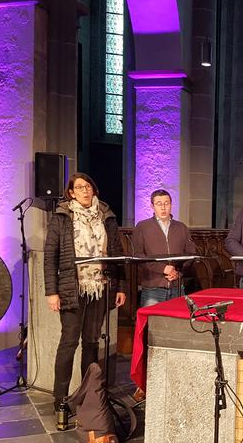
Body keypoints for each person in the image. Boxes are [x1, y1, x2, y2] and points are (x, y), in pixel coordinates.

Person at [44, 173, 126, 412]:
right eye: (79, 187)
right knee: (69, 343)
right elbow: (51, 257)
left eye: (88, 186)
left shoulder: (106, 216)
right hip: (73, 286)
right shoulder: (61, 217)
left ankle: (88, 396)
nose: (85, 190)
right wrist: (52, 292)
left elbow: (116, 253)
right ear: (71, 193)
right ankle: (60, 399)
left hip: (100, 287)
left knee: (91, 343)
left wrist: (119, 286)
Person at [132, 189, 197, 307]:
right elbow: (138, 256)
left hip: (177, 286)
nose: (163, 207)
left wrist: (178, 272)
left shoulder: (181, 227)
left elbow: (190, 254)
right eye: (159, 204)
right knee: (153, 324)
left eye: (166, 203)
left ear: (171, 205)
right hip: (153, 288)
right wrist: (162, 269)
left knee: (176, 323)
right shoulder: (142, 227)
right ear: (152, 206)